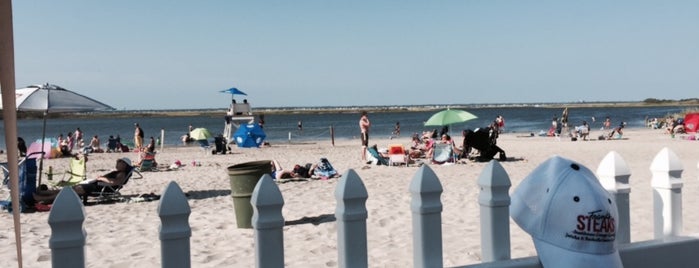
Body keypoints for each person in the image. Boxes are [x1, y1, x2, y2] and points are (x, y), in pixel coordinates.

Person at [34, 158, 133, 203]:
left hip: (98, 188)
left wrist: (101, 178)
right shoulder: (118, 171)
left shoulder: (122, 173)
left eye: (119, 161)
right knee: (68, 190)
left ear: (124, 165)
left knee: (69, 191)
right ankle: (44, 192)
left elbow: (114, 183)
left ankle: (43, 198)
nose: (117, 162)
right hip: (95, 185)